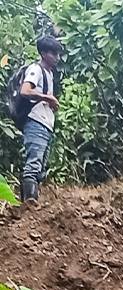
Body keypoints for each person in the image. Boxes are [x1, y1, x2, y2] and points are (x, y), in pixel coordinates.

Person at [19, 36, 62, 208]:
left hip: (45, 124)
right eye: (54, 54)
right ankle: (29, 203)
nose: (57, 58)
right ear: (44, 53)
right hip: (36, 122)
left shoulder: (49, 74)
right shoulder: (36, 69)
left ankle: (29, 203)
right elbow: (25, 91)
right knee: (34, 164)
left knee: (39, 168)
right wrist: (47, 98)